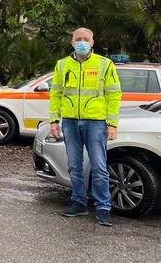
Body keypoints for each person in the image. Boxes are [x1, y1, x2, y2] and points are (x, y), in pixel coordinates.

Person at [49, 27, 121, 227]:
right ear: (72, 42)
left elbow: (114, 94)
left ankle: (103, 207)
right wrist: (54, 120)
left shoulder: (104, 64)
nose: (81, 42)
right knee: (74, 164)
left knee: (98, 166)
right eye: (78, 39)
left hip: (96, 123)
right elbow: (56, 93)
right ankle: (79, 201)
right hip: (70, 122)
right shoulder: (62, 65)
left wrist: (112, 124)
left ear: (92, 42)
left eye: (85, 39)